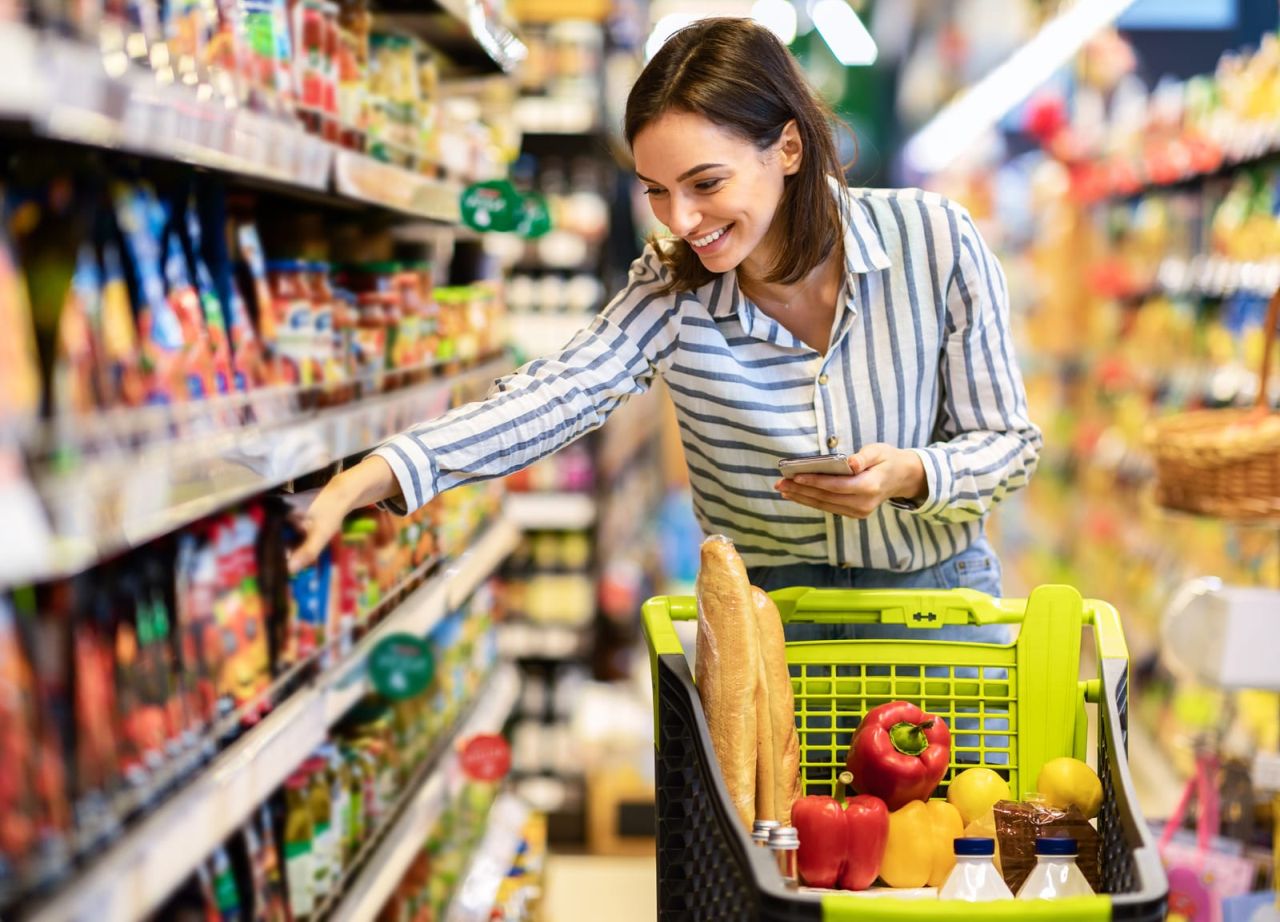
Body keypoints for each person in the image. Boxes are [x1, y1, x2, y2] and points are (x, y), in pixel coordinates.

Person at [288, 17, 1041, 646]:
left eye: (706, 184)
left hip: (937, 613)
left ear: (787, 148)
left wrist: (912, 475)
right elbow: (559, 394)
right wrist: (378, 472)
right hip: (764, 628)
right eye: (657, 191)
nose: (682, 221)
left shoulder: (935, 240)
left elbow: (1008, 442)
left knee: (949, 828)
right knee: (765, 831)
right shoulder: (673, 286)